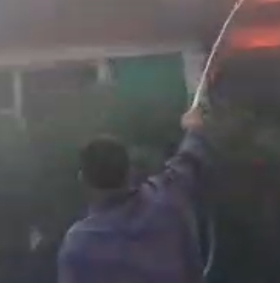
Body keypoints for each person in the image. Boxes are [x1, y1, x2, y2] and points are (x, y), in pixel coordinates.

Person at [58, 109, 211, 282]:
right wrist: (193, 129)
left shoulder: (78, 246)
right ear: (130, 171)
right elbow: (189, 159)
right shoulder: (166, 196)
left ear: (83, 180)